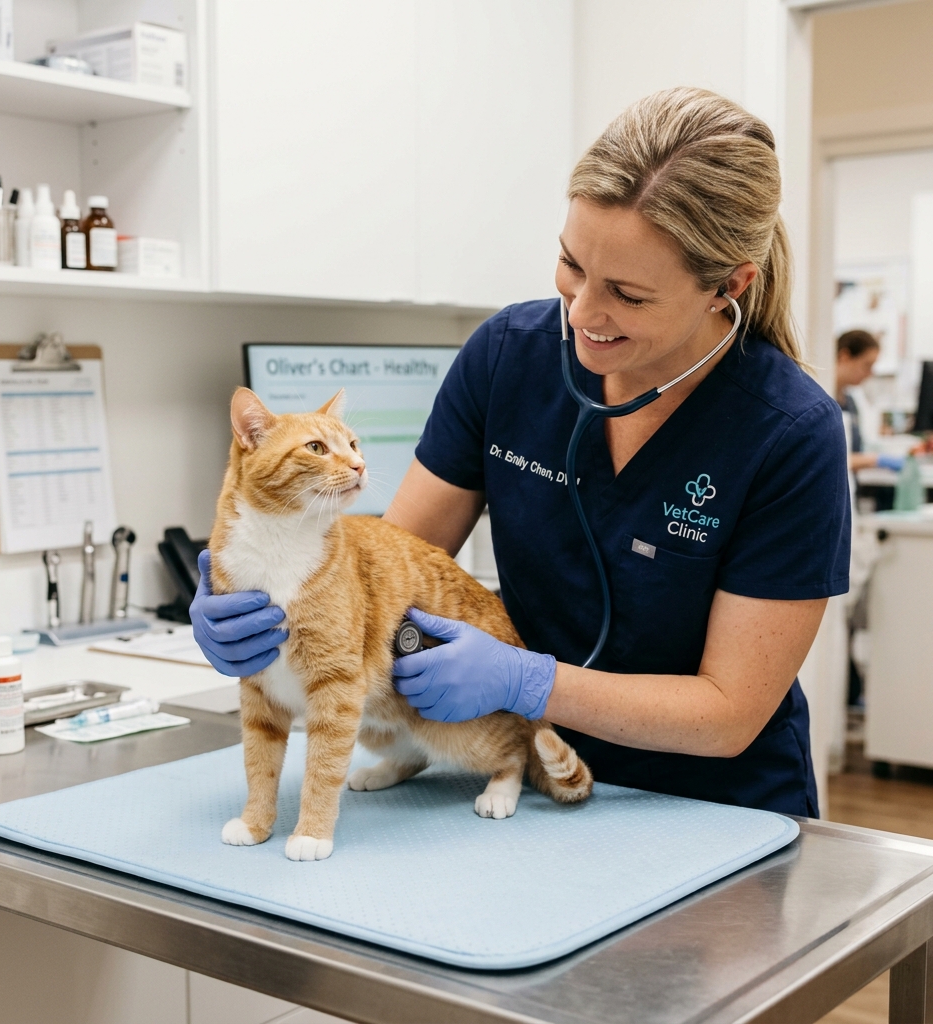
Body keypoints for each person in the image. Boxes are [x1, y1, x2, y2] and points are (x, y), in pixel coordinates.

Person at [191, 88, 851, 817]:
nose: (583, 312)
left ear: (728, 285)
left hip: (714, 807)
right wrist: (255, 587)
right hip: (518, 783)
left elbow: (729, 713)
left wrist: (527, 682)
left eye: (628, 295)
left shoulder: (791, 434)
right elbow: (392, 568)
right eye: (571, 265)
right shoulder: (508, 357)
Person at [834, 329, 903, 473]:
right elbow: (830, 459)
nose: (870, 373)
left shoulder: (850, 402)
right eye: (867, 365)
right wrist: (875, 459)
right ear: (844, 356)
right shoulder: (824, 403)